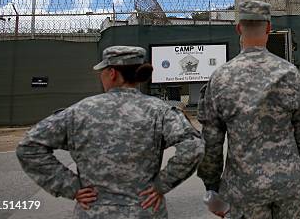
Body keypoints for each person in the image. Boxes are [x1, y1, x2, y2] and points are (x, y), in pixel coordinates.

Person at [16, 46, 204, 218]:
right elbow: (194, 146)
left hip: (94, 210)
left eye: (102, 72)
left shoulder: (79, 111)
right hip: (145, 210)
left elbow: (29, 146)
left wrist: (71, 187)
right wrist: (162, 184)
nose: (101, 77)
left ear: (112, 73)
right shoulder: (160, 111)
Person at [197, 0, 300, 218]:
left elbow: (211, 144)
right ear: (269, 28)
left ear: (238, 28)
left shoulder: (221, 78)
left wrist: (212, 187)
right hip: (288, 185)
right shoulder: (291, 74)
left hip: (244, 188)